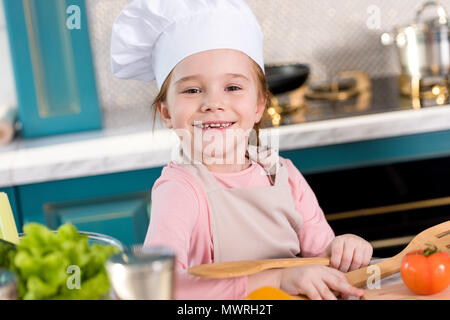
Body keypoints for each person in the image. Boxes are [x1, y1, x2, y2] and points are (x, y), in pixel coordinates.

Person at [111, 0, 373, 300]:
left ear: (260, 104)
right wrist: (277, 281)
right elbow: (160, 287)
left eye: (233, 88)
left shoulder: (283, 174)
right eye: (192, 90)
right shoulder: (180, 190)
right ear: (167, 113)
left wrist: (344, 249)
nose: (213, 103)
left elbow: (322, 259)